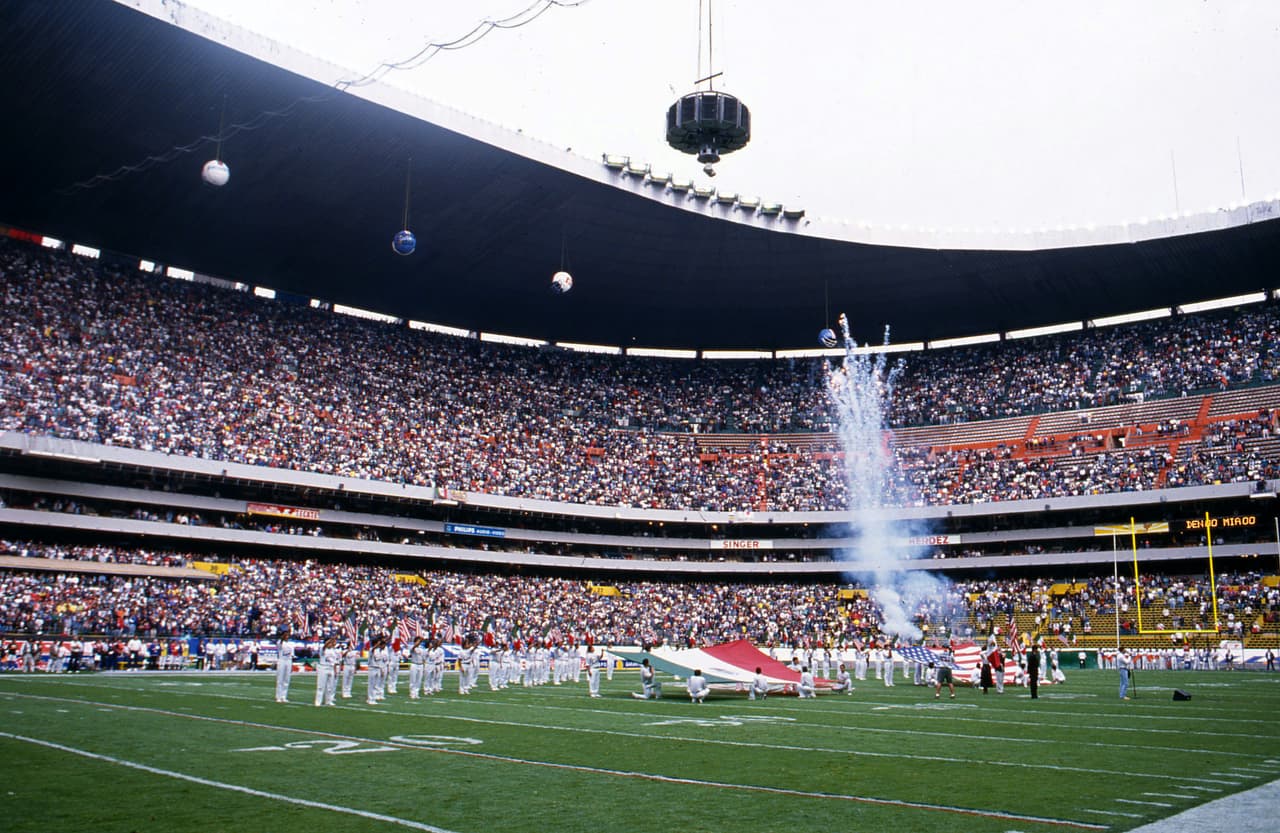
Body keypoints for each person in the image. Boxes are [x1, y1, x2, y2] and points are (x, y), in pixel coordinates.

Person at [314, 637, 340, 707]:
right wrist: (328, 641)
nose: (331, 644)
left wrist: (335, 671)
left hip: (331, 668)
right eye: (329, 642)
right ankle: (318, 701)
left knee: (330, 686)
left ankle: (328, 700)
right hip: (323, 667)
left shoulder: (333, 650)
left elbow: (334, 661)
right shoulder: (323, 649)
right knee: (321, 686)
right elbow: (325, 646)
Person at [274, 630, 294, 704]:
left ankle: (284, 696)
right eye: (286, 635)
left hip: (288, 661)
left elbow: (291, 654)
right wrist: (282, 637)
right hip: (282, 660)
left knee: (286, 679)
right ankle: (278, 696)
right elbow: (279, 645)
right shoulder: (280, 642)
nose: (287, 637)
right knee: (280, 679)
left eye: (288, 635)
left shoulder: (290, 643)